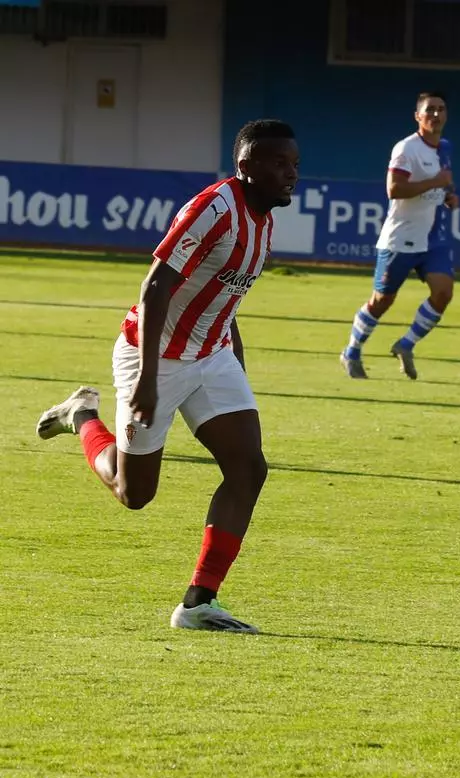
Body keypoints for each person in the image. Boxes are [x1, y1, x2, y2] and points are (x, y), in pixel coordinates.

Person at [34, 119, 300, 633]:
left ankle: (199, 602)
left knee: (249, 468)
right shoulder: (213, 209)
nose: (291, 174)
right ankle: (81, 415)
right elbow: (155, 287)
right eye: (279, 164)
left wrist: (234, 365)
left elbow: (225, 296)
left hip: (211, 355)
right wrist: (149, 380)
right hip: (150, 355)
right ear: (246, 168)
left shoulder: (264, 218)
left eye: (295, 165)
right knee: (135, 494)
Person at [340, 90, 458, 380]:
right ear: (418, 116)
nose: (436, 114)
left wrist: (448, 195)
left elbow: (441, 186)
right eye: (429, 109)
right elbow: (394, 189)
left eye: (441, 109)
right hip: (400, 238)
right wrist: (436, 182)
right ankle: (352, 351)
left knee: (443, 292)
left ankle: (405, 345)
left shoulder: (445, 147)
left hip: (432, 238)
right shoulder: (406, 149)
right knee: (382, 301)